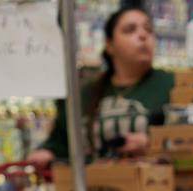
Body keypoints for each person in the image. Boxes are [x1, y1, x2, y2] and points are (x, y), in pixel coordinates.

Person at [27, 6, 173, 164]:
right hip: (96, 179)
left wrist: (152, 145)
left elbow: (188, 141)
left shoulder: (173, 86)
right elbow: (59, 144)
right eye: (130, 30)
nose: (143, 35)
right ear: (109, 44)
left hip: (155, 178)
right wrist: (45, 154)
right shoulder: (85, 95)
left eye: (149, 29)